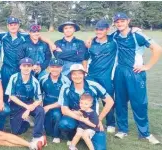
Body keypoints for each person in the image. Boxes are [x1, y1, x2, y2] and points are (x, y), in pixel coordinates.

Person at [110, 12, 161, 144]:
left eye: (122, 21)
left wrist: (147, 66)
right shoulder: (115, 35)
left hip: (135, 72)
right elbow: (102, 36)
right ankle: (122, 130)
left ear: (128, 21)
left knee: (139, 103)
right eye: (117, 21)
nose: (119, 23)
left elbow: (157, 49)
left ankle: (144, 133)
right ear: (114, 23)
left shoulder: (137, 35)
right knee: (120, 102)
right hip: (120, 71)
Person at [58, 64, 114, 150]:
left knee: (100, 148)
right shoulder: (66, 87)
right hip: (75, 118)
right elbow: (64, 110)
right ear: (70, 76)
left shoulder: (93, 85)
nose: (77, 76)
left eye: (80, 73)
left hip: (92, 120)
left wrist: (99, 119)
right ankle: (75, 136)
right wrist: (81, 119)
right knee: (64, 124)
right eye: (74, 74)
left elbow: (110, 101)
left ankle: (85, 135)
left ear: (84, 74)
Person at [5, 57, 47, 146]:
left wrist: (28, 109)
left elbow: (39, 99)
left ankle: (37, 136)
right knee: (16, 132)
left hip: (29, 104)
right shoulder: (14, 77)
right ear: (20, 67)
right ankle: (27, 122)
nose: (26, 68)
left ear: (32, 67)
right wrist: (26, 107)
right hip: (16, 105)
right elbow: (11, 96)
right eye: (24, 65)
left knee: (40, 110)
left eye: (29, 66)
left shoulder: (35, 81)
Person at [86, 19, 117, 133]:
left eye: (101, 29)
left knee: (108, 100)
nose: (99, 31)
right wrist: (85, 71)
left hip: (106, 76)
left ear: (107, 30)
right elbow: (85, 57)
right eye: (97, 29)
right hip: (92, 75)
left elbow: (122, 31)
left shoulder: (114, 41)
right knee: (89, 99)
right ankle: (90, 121)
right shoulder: (91, 43)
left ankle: (110, 123)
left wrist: (134, 28)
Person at [39, 58, 70, 143]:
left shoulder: (66, 81)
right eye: (53, 66)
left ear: (61, 68)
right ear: (49, 68)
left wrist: (49, 107)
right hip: (46, 104)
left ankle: (57, 136)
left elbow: (65, 99)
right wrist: (41, 106)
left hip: (59, 105)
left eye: (57, 67)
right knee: (48, 131)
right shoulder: (43, 79)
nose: (55, 69)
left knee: (56, 114)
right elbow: (39, 94)